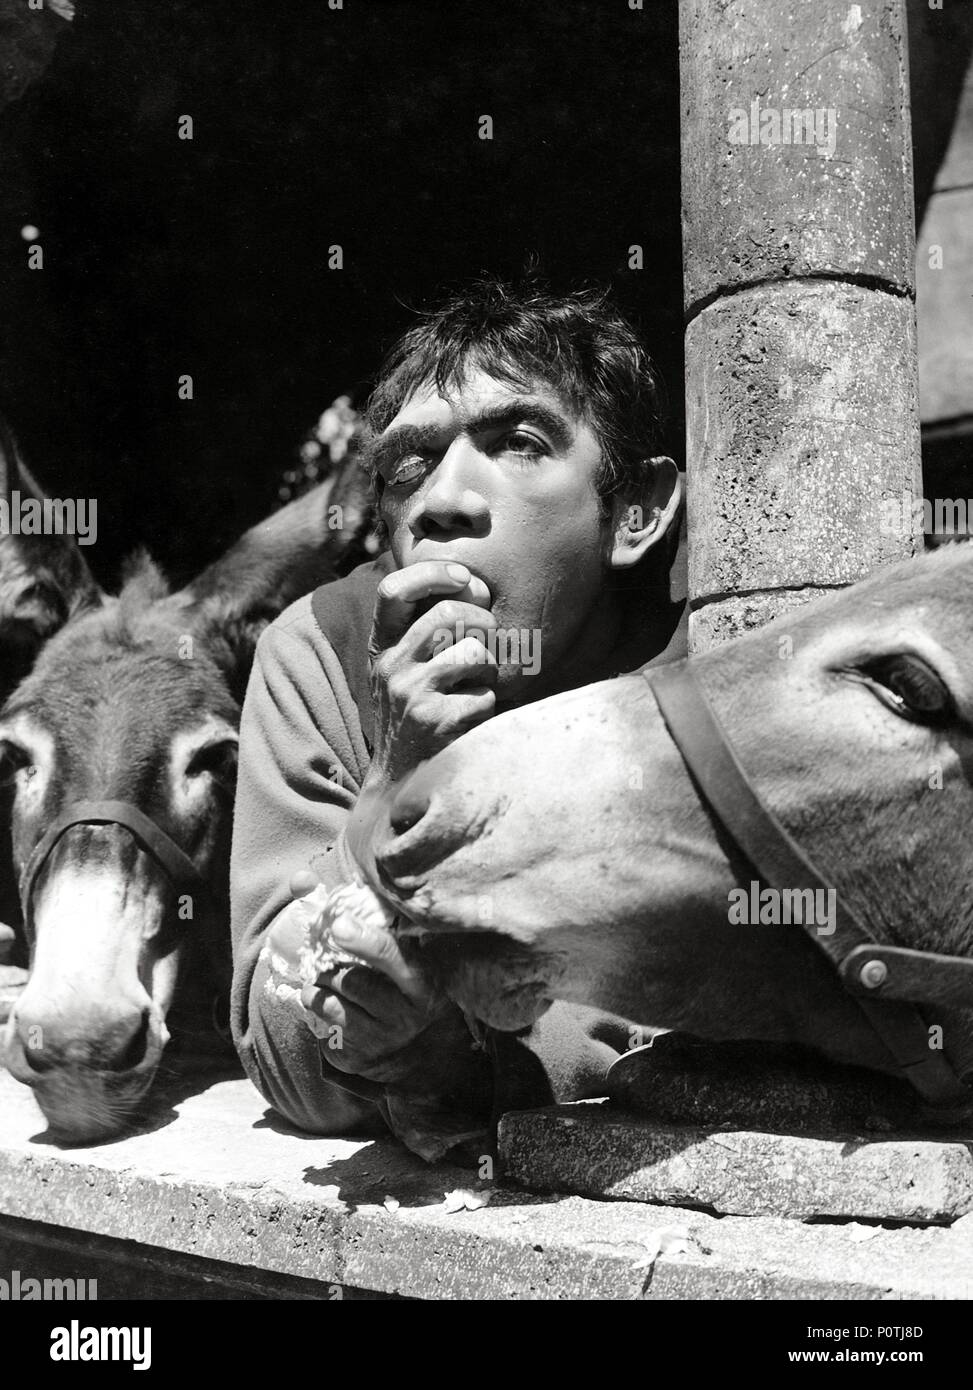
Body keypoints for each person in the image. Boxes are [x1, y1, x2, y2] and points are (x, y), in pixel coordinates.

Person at [229, 278, 687, 1161]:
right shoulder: (324, 650)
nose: (443, 500)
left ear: (634, 512)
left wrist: (464, 1069)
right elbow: (282, 1041)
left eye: (517, 442)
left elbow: (719, 1019)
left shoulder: (705, 650)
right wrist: (399, 782)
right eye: (410, 466)